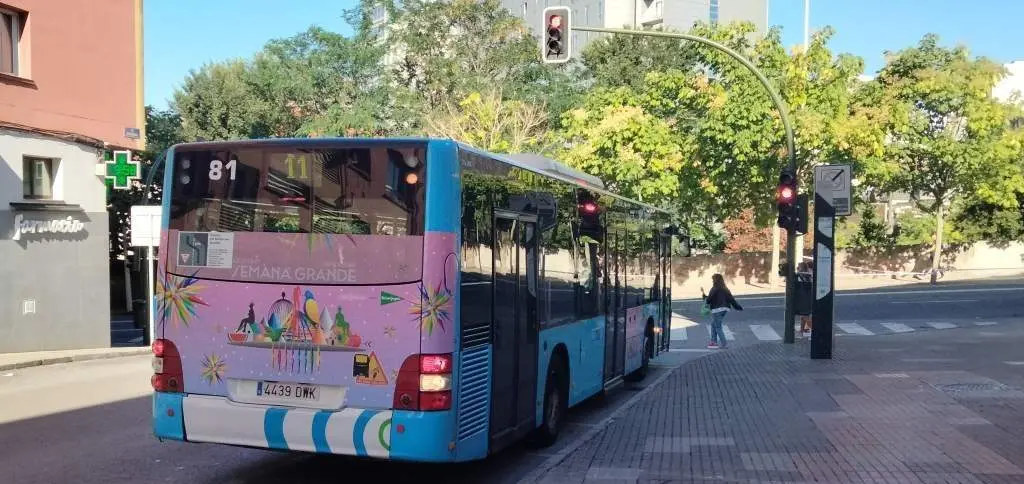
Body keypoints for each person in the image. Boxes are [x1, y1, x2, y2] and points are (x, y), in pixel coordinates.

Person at [701, 274, 743, 349]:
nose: (712, 281)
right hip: (725, 309)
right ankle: (713, 342)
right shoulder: (725, 288)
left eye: (713, 279)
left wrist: (704, 297)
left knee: (718, 327)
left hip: (717, 310)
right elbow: (731, 299)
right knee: (713, 324)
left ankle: (724, 344)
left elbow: (709, 299)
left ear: (715, 280)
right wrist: (737, 307)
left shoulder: (714, 288)